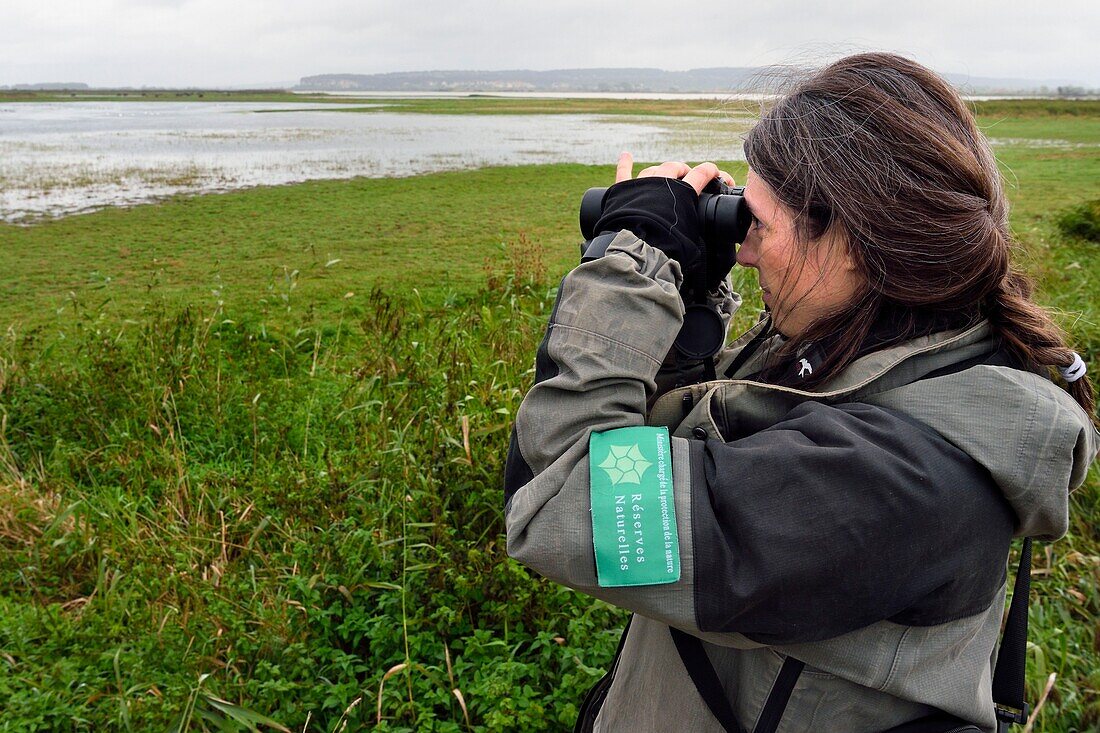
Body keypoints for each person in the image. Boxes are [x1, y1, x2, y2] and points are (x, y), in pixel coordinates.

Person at [503, 53, 1099, 732]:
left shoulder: (893, 481)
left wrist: (630, 258)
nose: (745, 251)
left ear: (851, 240)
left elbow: (558, 496)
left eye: (756, 222)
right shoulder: (892, 358)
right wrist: (688, 301)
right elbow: (668, 450)